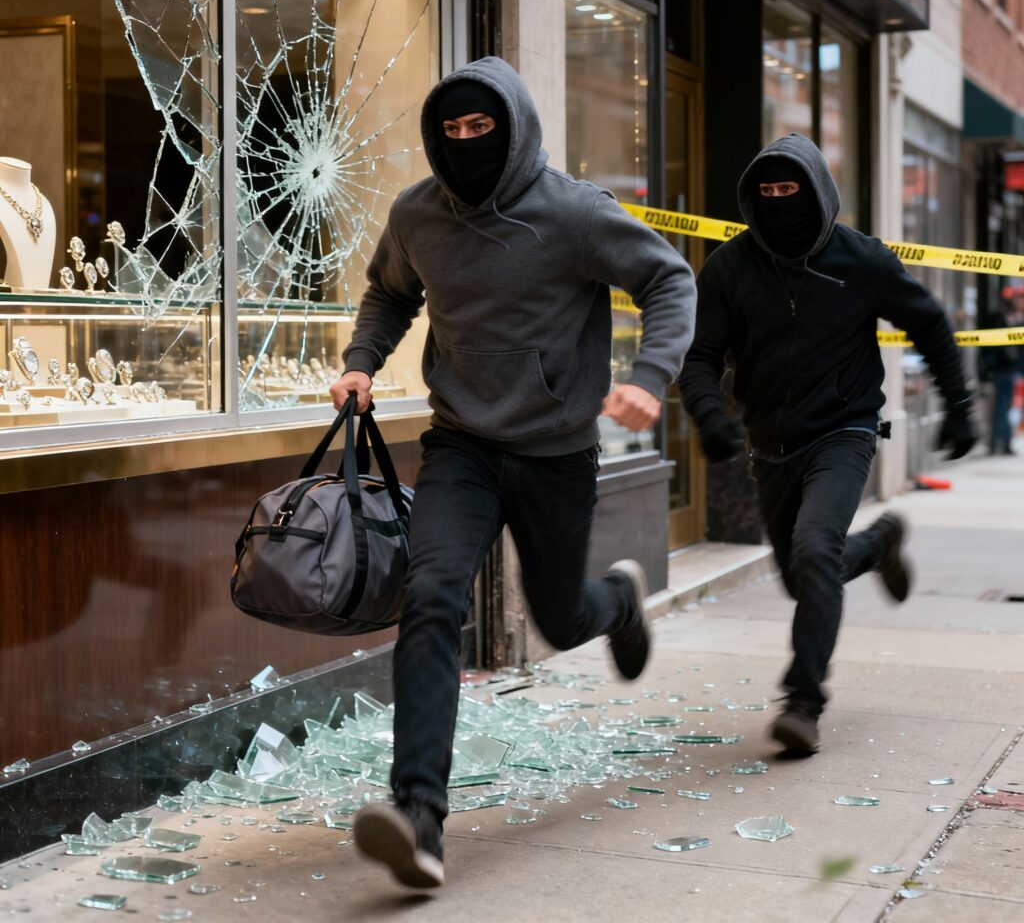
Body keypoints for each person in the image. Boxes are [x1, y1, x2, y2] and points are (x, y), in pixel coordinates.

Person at [328, 56, 695, 888]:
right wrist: (362, 361)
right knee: (430, 599)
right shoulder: (418, 212)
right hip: (461, 442)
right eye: (450, 130)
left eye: (480, 127)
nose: (465, 142)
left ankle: (619, 601)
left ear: (514, 124)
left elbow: (668, 280)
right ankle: (419, 814)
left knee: (561, 620)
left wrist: (649, 378)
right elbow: (391, 293)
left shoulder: (573, 212)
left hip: (557, 450)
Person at [679, 133, 975, 756]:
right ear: (752, 198)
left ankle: (802, 703)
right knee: (804, 576)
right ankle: (881, 543)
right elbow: (700, 356)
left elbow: (928, 321)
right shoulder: (730, 267)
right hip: (769, 443)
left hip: (844, 431)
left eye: (792, 189)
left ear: (817, 191)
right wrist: (709, 412)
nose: (780, 201)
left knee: (815, 553)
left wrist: (959, 404)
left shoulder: (860, 260)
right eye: (769, 192)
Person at [979, 284, 1024, 455]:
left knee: (1009, 407)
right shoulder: (1000, 319)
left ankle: (1004, 442)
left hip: (1013, 370)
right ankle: (996, 443)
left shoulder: (1018, 319)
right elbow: (993, 348)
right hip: (1001, 370)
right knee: (1001, 407)